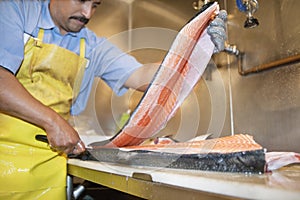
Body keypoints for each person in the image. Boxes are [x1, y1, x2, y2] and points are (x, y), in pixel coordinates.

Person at [0, 0, 227, 199]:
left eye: (96, 5)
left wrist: (200, 50)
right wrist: (53, 122)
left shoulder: (90, 44)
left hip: (50, 164)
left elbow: (144, 77)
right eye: (81, 1)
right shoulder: (14, 11)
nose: (87, 13)